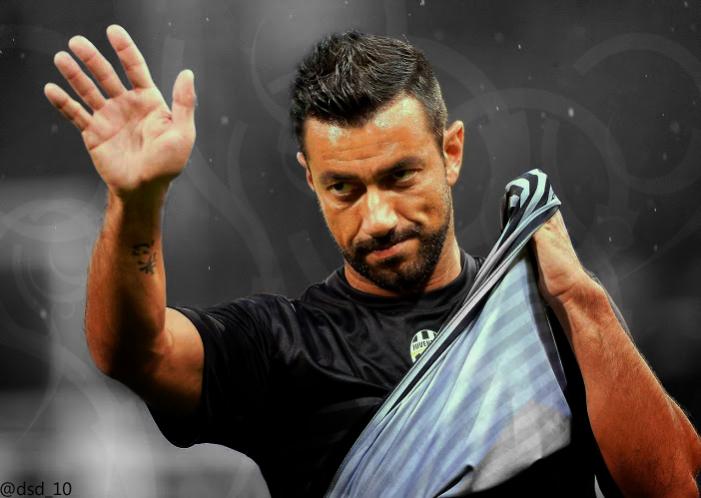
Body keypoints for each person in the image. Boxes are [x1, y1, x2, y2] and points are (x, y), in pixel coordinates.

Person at [44, 24, 701, 497]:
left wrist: (580, 299)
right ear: (310, 179)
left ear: (450, 153)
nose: (378, 217)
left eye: (399, 176)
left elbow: (672, 485)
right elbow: (133, 351)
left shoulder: (547, 315)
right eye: (345, 189)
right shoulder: (282, 346)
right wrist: (137, 201)